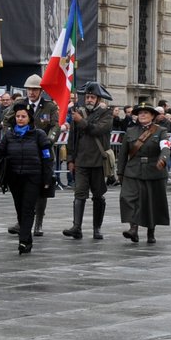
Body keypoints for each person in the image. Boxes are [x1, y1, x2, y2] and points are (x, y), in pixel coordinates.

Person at [0, 102, 54, 254]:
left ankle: (24, 241)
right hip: (14, 178)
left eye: (23, 116)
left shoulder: (39, 135)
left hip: (33, 177)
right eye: (18, 116)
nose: (20, 119)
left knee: (27, 208)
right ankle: (26, 237)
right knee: (19, 208)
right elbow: (0, 156)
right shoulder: (9, 135)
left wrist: (46, 179)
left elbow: (47, 157)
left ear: (29, 118)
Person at [9, 74, 61, 237]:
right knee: (21, 188)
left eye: (35, 89)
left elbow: (55, 126)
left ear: (41, 91)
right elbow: (6, 121)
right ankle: (22, 221)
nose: (31, 92)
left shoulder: (50, 107)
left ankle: (38, 222)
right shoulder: (20, 104)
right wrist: (12, 138)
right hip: (22, 153)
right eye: (29, 89)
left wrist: (48, 141)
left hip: (42, 153)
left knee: (41, 189)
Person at [63, 81, 113, 239]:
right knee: (79, 194)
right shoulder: (79, 112)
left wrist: (81, 121)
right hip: (81, 161)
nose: (89, 100)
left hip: (98, 161)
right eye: (87, 97)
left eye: (92, 97)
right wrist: (70, 159)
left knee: (98, 195)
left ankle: (97, 228)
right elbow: (72, 139)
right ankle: (76, 227)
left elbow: (97, 130)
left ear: (99, 99)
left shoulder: (106, 114)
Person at [118, 103, 170, 244]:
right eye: (140, 113)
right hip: (133, 169)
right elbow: (123, 153)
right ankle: (133, 228)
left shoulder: (161, 131)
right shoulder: (130, 131)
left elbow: (165, 147)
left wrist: (163, 160)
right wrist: (120, 172)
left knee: (151, 202)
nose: (142, 115)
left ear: (152, 116)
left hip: (154, 170)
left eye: (146, 113)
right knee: (128, 198)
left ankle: (150, 231)